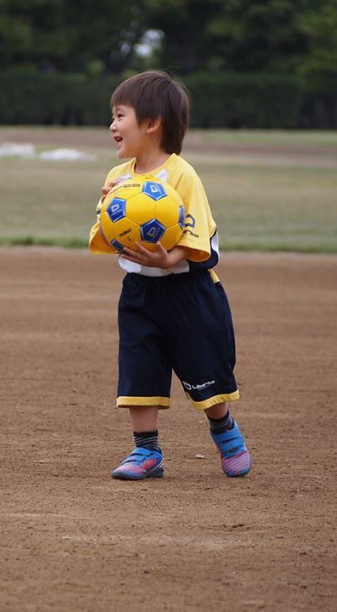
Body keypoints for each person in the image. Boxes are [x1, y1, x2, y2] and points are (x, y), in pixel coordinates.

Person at [89, 70, 251, 480]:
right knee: (139, 365)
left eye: (119, 115)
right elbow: (107, 237)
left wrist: (170, 258)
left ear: (151, 123)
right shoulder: (117, 179)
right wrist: (107, 213)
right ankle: (146, 452)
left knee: (203, 371)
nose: (112, 125)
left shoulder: (182, 175)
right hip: (139, 292)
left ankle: (224, 429)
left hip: (189, 292)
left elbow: (199, 236)